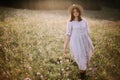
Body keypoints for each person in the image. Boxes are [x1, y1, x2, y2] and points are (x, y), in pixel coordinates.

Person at [63, 4, 94, 80]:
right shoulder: (70, 22)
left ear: (79, 12)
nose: (75, 13)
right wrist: (65, 47)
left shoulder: (84, 21)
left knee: (86, 58)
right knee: (81, 59)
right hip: (76, 43)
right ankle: (82, 76)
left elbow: (87, 33)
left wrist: (90, 43)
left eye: (77, 11)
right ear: (72, 13)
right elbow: (68, 35)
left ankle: (83, 73)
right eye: (74, 12)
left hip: (85, 41)